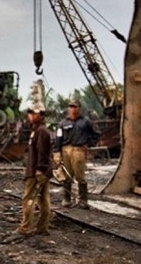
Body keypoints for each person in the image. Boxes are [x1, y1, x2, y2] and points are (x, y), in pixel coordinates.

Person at [53, 99, 100, 209]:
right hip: (65, 150)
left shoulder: (86, 122)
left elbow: (96, 133)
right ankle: (67, 199)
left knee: (80, 176)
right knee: (66, 176)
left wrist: (89, 143)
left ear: (79, 108)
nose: (73, 109)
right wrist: (56, 152)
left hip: (79, 150)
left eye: (75, 107)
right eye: (71, 107)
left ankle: (83, 200)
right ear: (68, 108)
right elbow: (58, 138)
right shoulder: (63, 123)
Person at [15, 104, 53, 236]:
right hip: (41, 171)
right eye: (30, 112)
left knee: (29, 199)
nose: (31, 115)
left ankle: (25, 228)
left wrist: (40, 170)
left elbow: (42, 153)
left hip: (37, 172)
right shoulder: (37, 130)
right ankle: (42, 227)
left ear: (42, 115)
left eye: (35, 113)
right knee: (43, 200)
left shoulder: (41, 131)